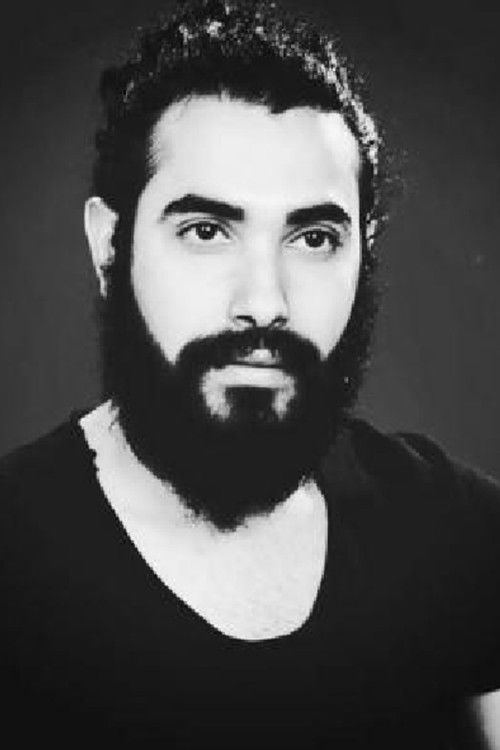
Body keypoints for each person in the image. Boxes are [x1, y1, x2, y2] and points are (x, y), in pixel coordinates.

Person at [1, 0, 499, 746]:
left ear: (363, 254)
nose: (264, 301)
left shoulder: (452, 533)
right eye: (206, 231)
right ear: (110, 247)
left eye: (314, 237)